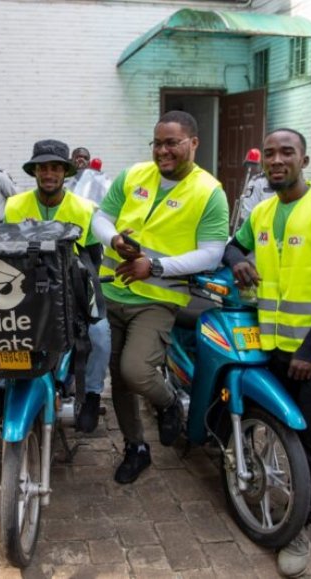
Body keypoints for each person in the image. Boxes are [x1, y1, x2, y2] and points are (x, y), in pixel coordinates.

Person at [223, 128, 311, 578]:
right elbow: (232, 245)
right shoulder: (261, 212)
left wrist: (309, 348)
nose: (277, 160)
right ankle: (297, 494)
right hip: (275, 345)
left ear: (304, 159)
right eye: (272, 154)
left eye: (288, 153)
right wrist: (236, 261)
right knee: (283, 428)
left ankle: (304, 518)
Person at [92, 111, 229, 484]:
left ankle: (170, 404)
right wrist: (114, 240)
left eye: (172, 142)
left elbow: (212, 253)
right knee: (118, 380)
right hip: (112, 289)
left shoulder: (209, 192)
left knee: (135, 370)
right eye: (157, 143)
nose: (162, 151)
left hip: (157, 297)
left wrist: (154, 267)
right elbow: (99, 218)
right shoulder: (134, 174)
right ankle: (136, 448)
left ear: (193, 143)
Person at [0, 139, 110, 432]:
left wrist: (80, 288)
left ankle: (93, 395)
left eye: (55, 168)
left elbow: (94, 261)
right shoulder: (14, 205)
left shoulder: (85, 209)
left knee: (99, 333)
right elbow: (0, 251)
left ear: (65, 172)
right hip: (22, 289)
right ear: (34, 171)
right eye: (43, 168)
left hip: (71, 288)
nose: (49, 174)